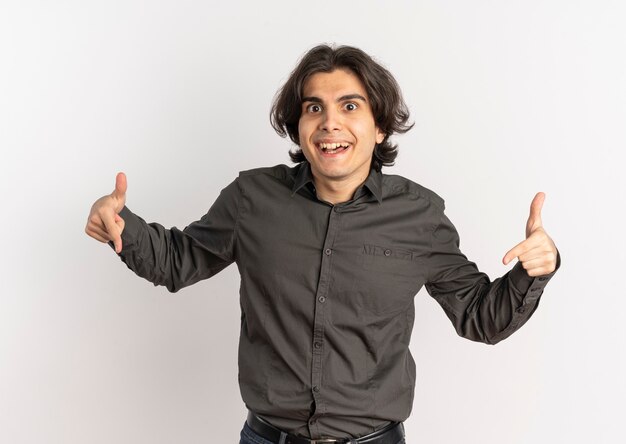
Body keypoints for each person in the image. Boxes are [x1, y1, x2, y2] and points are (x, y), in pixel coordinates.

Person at [85, 44, 560, 444]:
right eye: (315, 108)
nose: (330, 122)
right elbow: (177, 262)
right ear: (299, 128)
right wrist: (121, 224)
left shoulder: (421, 217)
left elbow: (481, 318)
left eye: (350, 106)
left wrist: (535, 269)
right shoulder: (251, 199)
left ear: (379, 128)